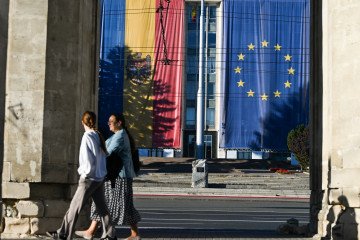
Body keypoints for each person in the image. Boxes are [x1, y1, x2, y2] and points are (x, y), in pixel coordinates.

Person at [46, 111, 116, 240]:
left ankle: (63, 234)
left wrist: (83, 174)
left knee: (74, 208)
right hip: (99, 178)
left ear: (82, 122)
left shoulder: (87, 136)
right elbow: (101, 158)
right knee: (102, 209)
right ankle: (110, 235)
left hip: (89, 179)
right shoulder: (97, 135)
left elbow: (87, 160)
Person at [75, 113, 141, 240]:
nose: (109, 123)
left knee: (110, 205)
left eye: (111, 121)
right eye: (109, 121)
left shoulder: (120, 136)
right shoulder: (118, 135)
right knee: (115, 205)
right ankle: (92, 231)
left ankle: (102, 232)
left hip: (118, 177)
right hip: (117, 176)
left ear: (119, 123)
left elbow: (107, 153)